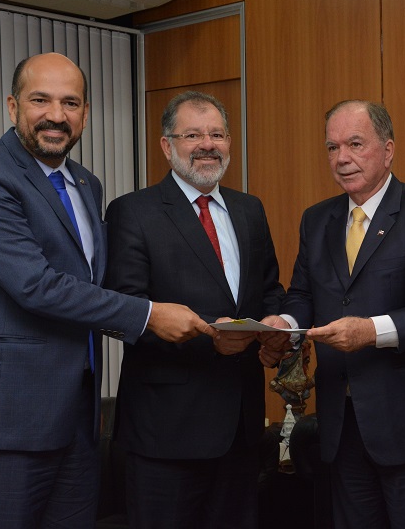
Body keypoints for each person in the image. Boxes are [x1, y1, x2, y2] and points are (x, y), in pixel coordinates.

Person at [0, 52, 212, 529]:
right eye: (40, 100)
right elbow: (36, 286)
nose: (56, 116)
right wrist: (149, 314)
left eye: (70, 102)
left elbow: (92, 285)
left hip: (76, 420)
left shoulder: (86, 183)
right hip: (5, 419)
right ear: (12, 106)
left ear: (85, 113)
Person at [278, 100, 405, 529]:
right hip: (340, 424)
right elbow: (302, 294)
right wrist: (285, 325)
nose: (342, 158)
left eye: (355, 144)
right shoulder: (317, 220)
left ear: (387, 151)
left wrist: (371, 331)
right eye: (332, 147)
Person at [103, 91, 288, 529]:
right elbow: (124, 311)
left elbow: (270, 290)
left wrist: (278, 324)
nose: (207, 144)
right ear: (166, 146)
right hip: (166, 432)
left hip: (241, 429)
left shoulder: (249, 209)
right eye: (192, 135)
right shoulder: (134, 211)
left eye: (217, 134)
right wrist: (211, 339)